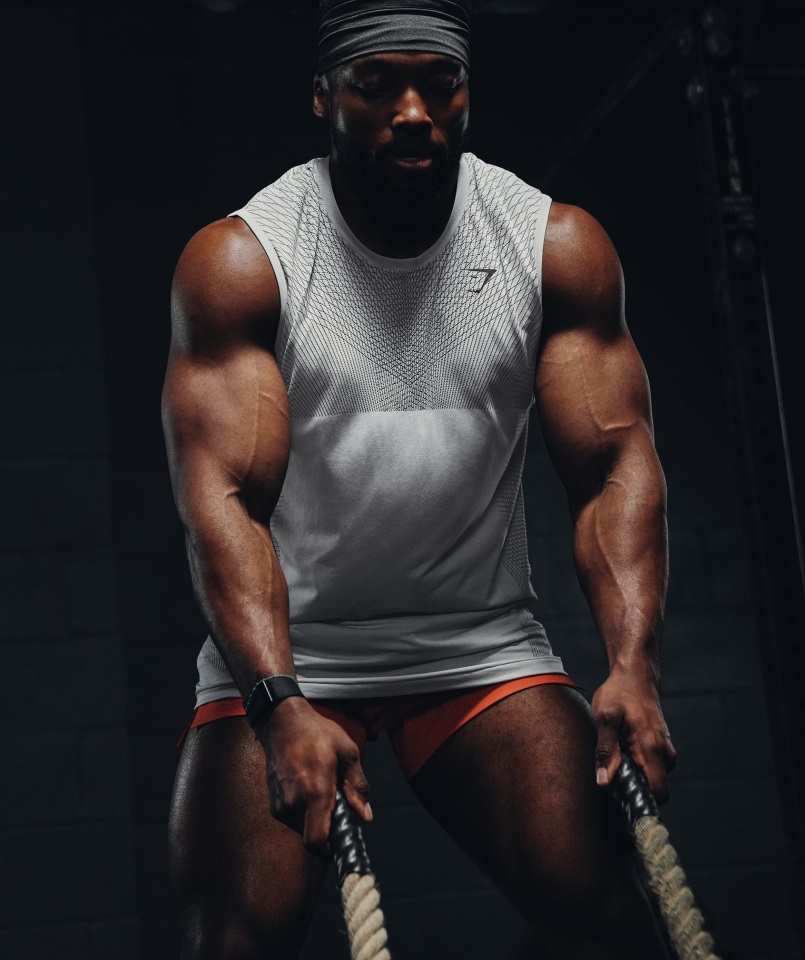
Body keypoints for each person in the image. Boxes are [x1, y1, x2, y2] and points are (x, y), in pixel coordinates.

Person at [163, 1, 677, 957]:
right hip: (291, 653)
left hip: (475, 644)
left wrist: (632, 667)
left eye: (440, 86)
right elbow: (220, 503)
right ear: (322, 96)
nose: (412, 113)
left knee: (606, 919)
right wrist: (277, 703)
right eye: (375, 87)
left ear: (466, 93)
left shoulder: (550, 247)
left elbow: (613, 466)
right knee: (234, 943)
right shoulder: (245, 261)